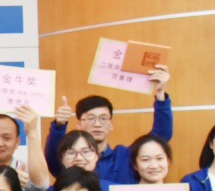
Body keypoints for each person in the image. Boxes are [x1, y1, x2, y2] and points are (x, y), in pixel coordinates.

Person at [44, 64, 172, 183]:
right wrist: (59, 126)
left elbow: (161, 135)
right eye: (91, 118)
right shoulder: (73, 159)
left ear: (111, 124)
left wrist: (160, 95)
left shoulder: (125, 156)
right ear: (79, 125)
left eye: (103, 118)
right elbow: (53, 158)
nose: (97, 124)